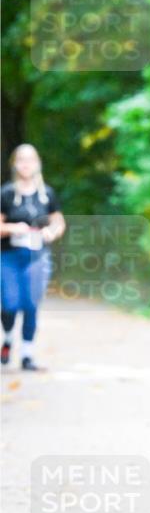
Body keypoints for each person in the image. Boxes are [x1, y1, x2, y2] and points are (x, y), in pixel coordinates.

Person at [1, 144, 65, 371]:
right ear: (15, 164)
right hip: (8, 256)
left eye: (30, 159)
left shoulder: (47, 193)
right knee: (9, 303)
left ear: (37, 163)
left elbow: (58, 221)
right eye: (21, 159)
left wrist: (52, 232)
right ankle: (8, 338)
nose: (26, 164)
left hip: (37, 256)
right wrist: (11, 228)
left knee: (30, 303)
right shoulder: (6, 193)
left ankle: (27, 355)